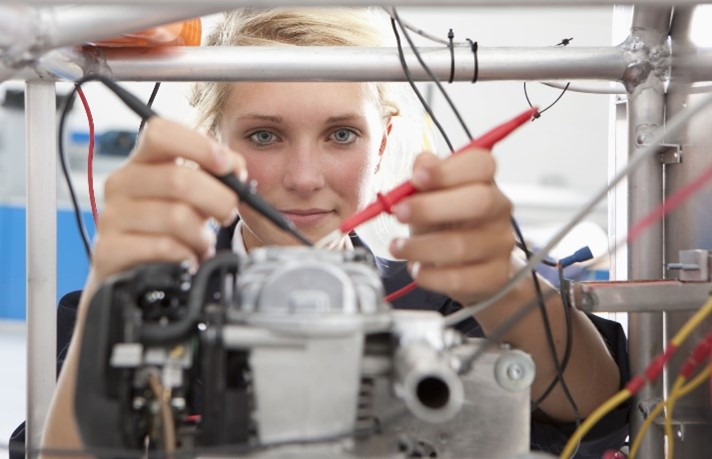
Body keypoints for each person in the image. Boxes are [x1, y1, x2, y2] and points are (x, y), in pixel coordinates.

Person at [37, 7, 629, 457]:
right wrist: (108, 299)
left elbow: (600, 409)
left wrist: (508, 285)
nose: (303, 178)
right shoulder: (140, 305)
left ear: (385, 141)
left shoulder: (444, 301)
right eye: (264, 135)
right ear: (215, 141)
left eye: (341, 134)